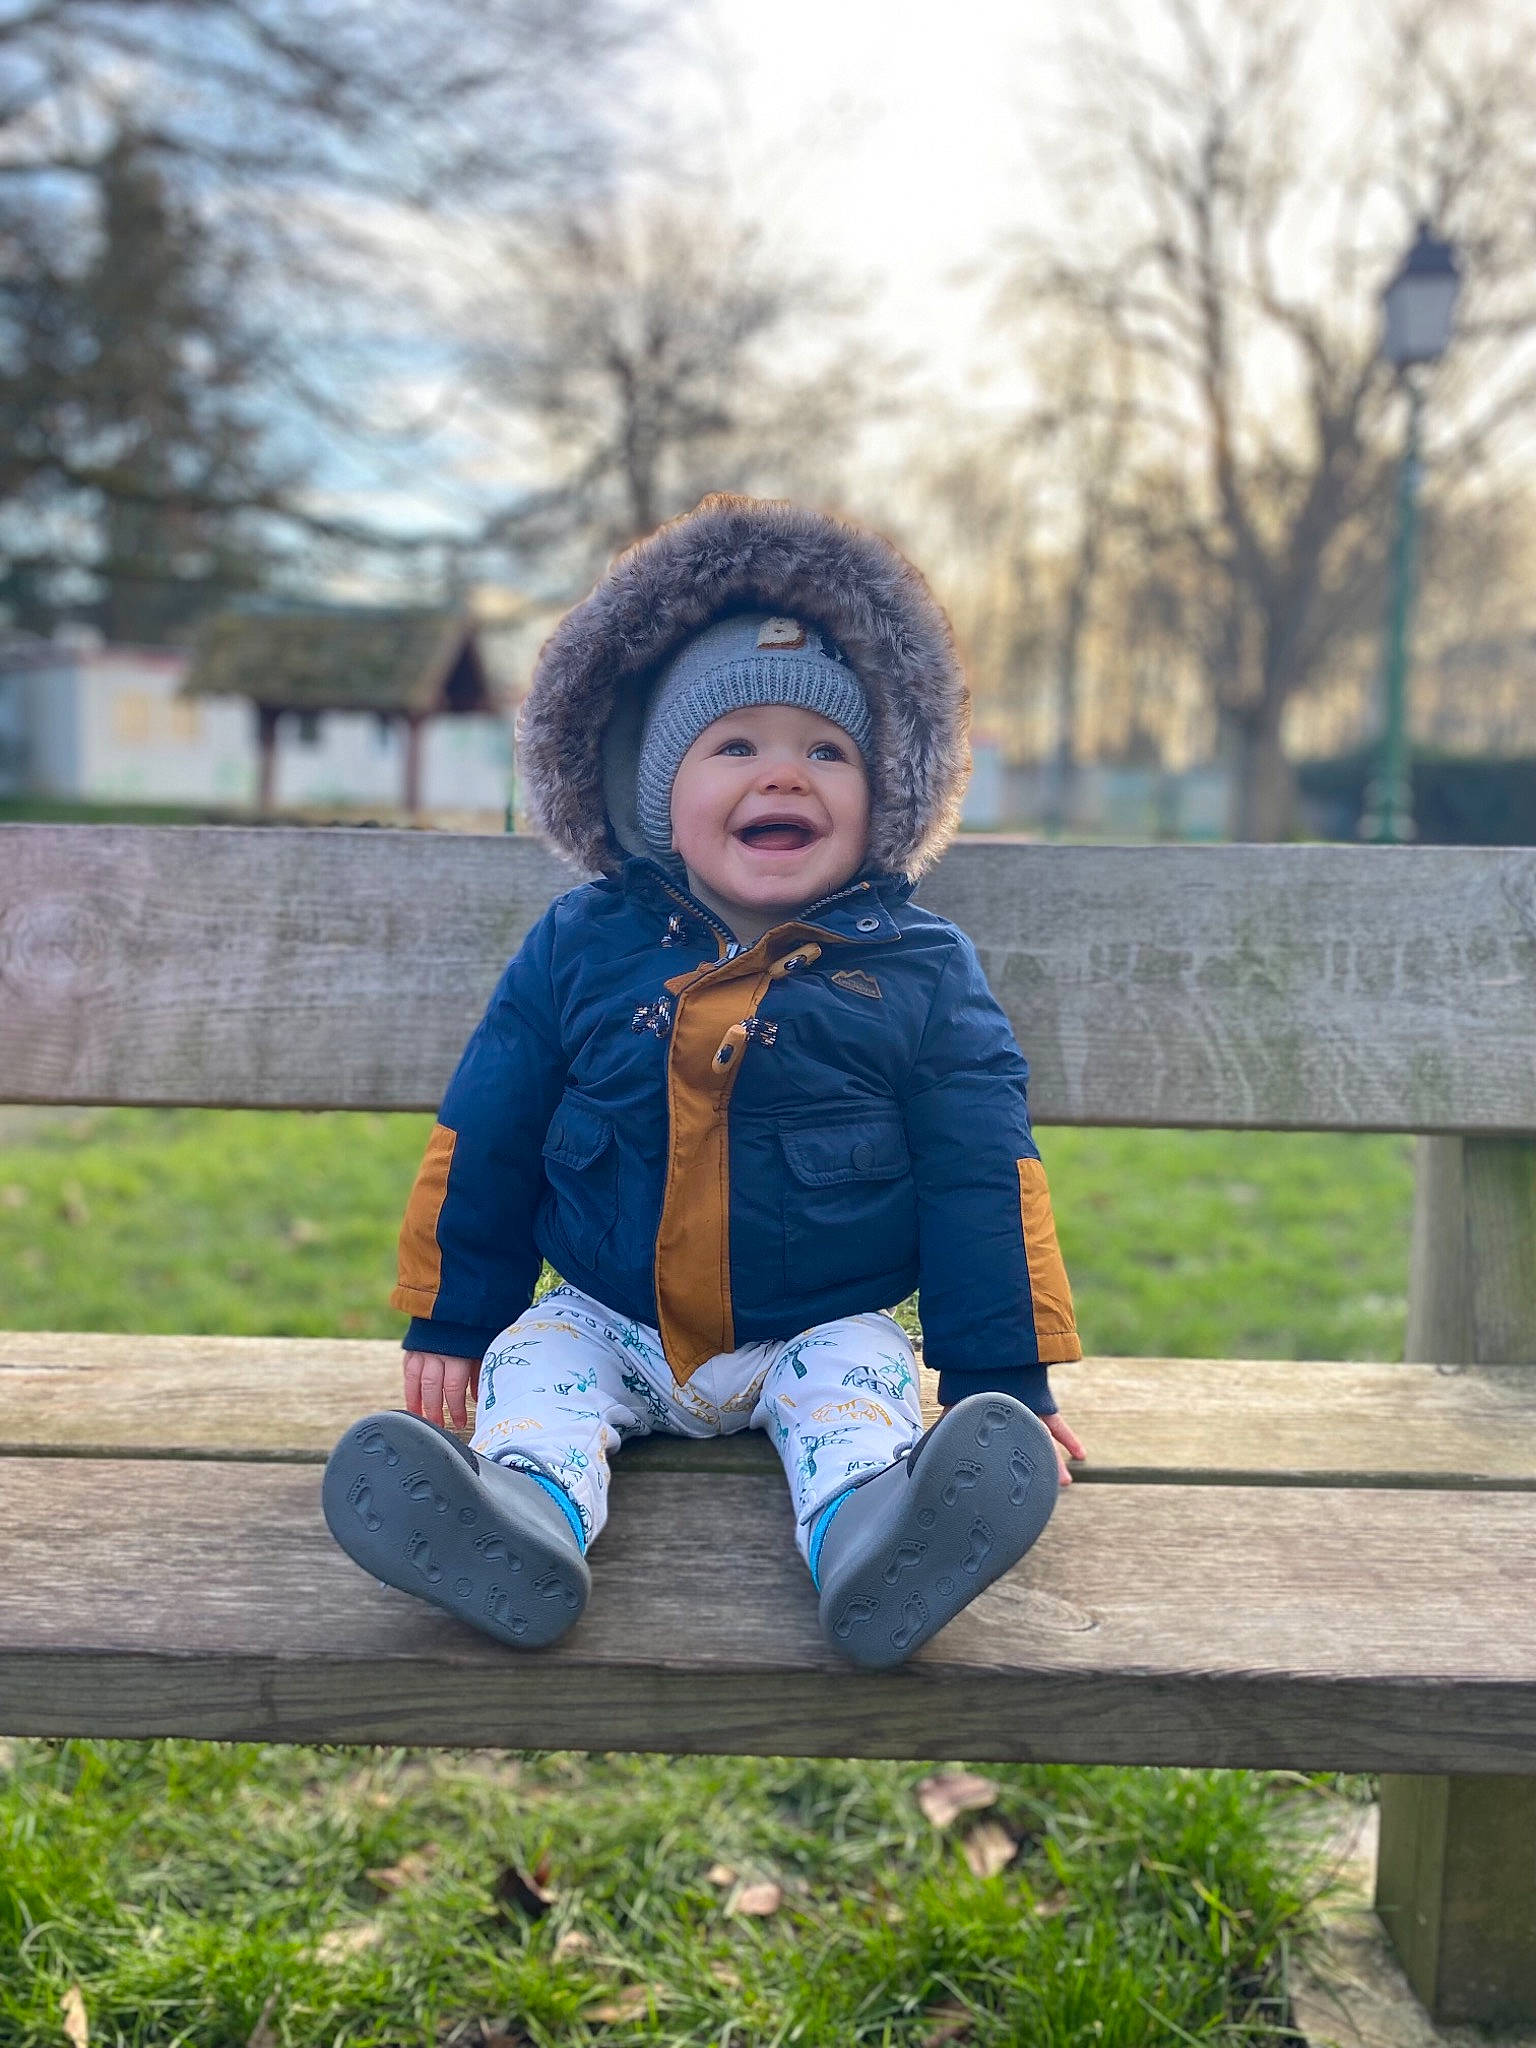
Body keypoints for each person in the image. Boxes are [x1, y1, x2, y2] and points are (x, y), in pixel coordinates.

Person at [322, 494, 1085, 1670]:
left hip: (816, 1318)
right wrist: (458, 1314)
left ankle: (878, 1535)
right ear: (653, 797)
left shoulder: (919, 969)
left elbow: (984, 1164)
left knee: (860, 1396)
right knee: (540, 1373)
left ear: (884, 794)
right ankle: (522, 1519)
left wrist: (1000, 1371)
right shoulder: (581, 944)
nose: (786, 773)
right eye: (735, 746)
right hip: (606, 1311)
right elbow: (491, 1126)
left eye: (828, 751)